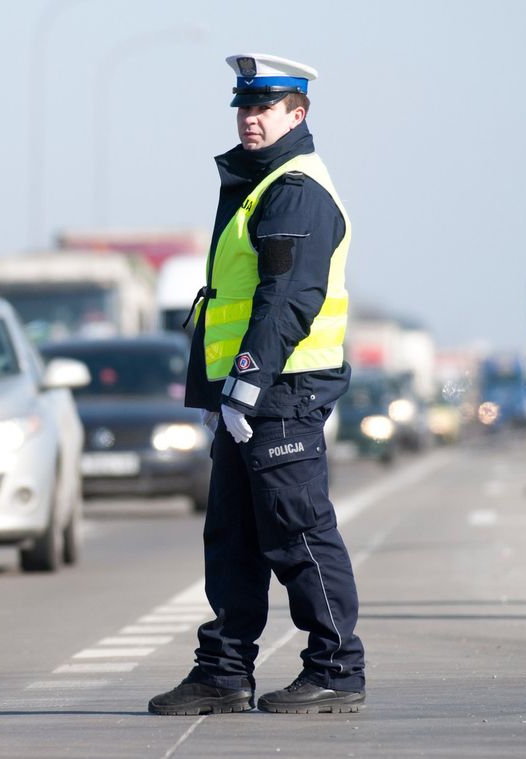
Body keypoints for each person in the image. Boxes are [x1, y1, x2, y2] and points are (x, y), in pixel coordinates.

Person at [150, 53, 365, 716]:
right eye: (244, 105)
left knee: (296, 529)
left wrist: (245, 380)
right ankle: (224, 670)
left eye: (264, 107)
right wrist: (222, 391)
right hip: (253, 391)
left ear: (297, 113)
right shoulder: (259, 183)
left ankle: (336, 669)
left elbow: (287, 298)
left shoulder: (296, 188)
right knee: (235, 533)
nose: (250, 117)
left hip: (283, 389)